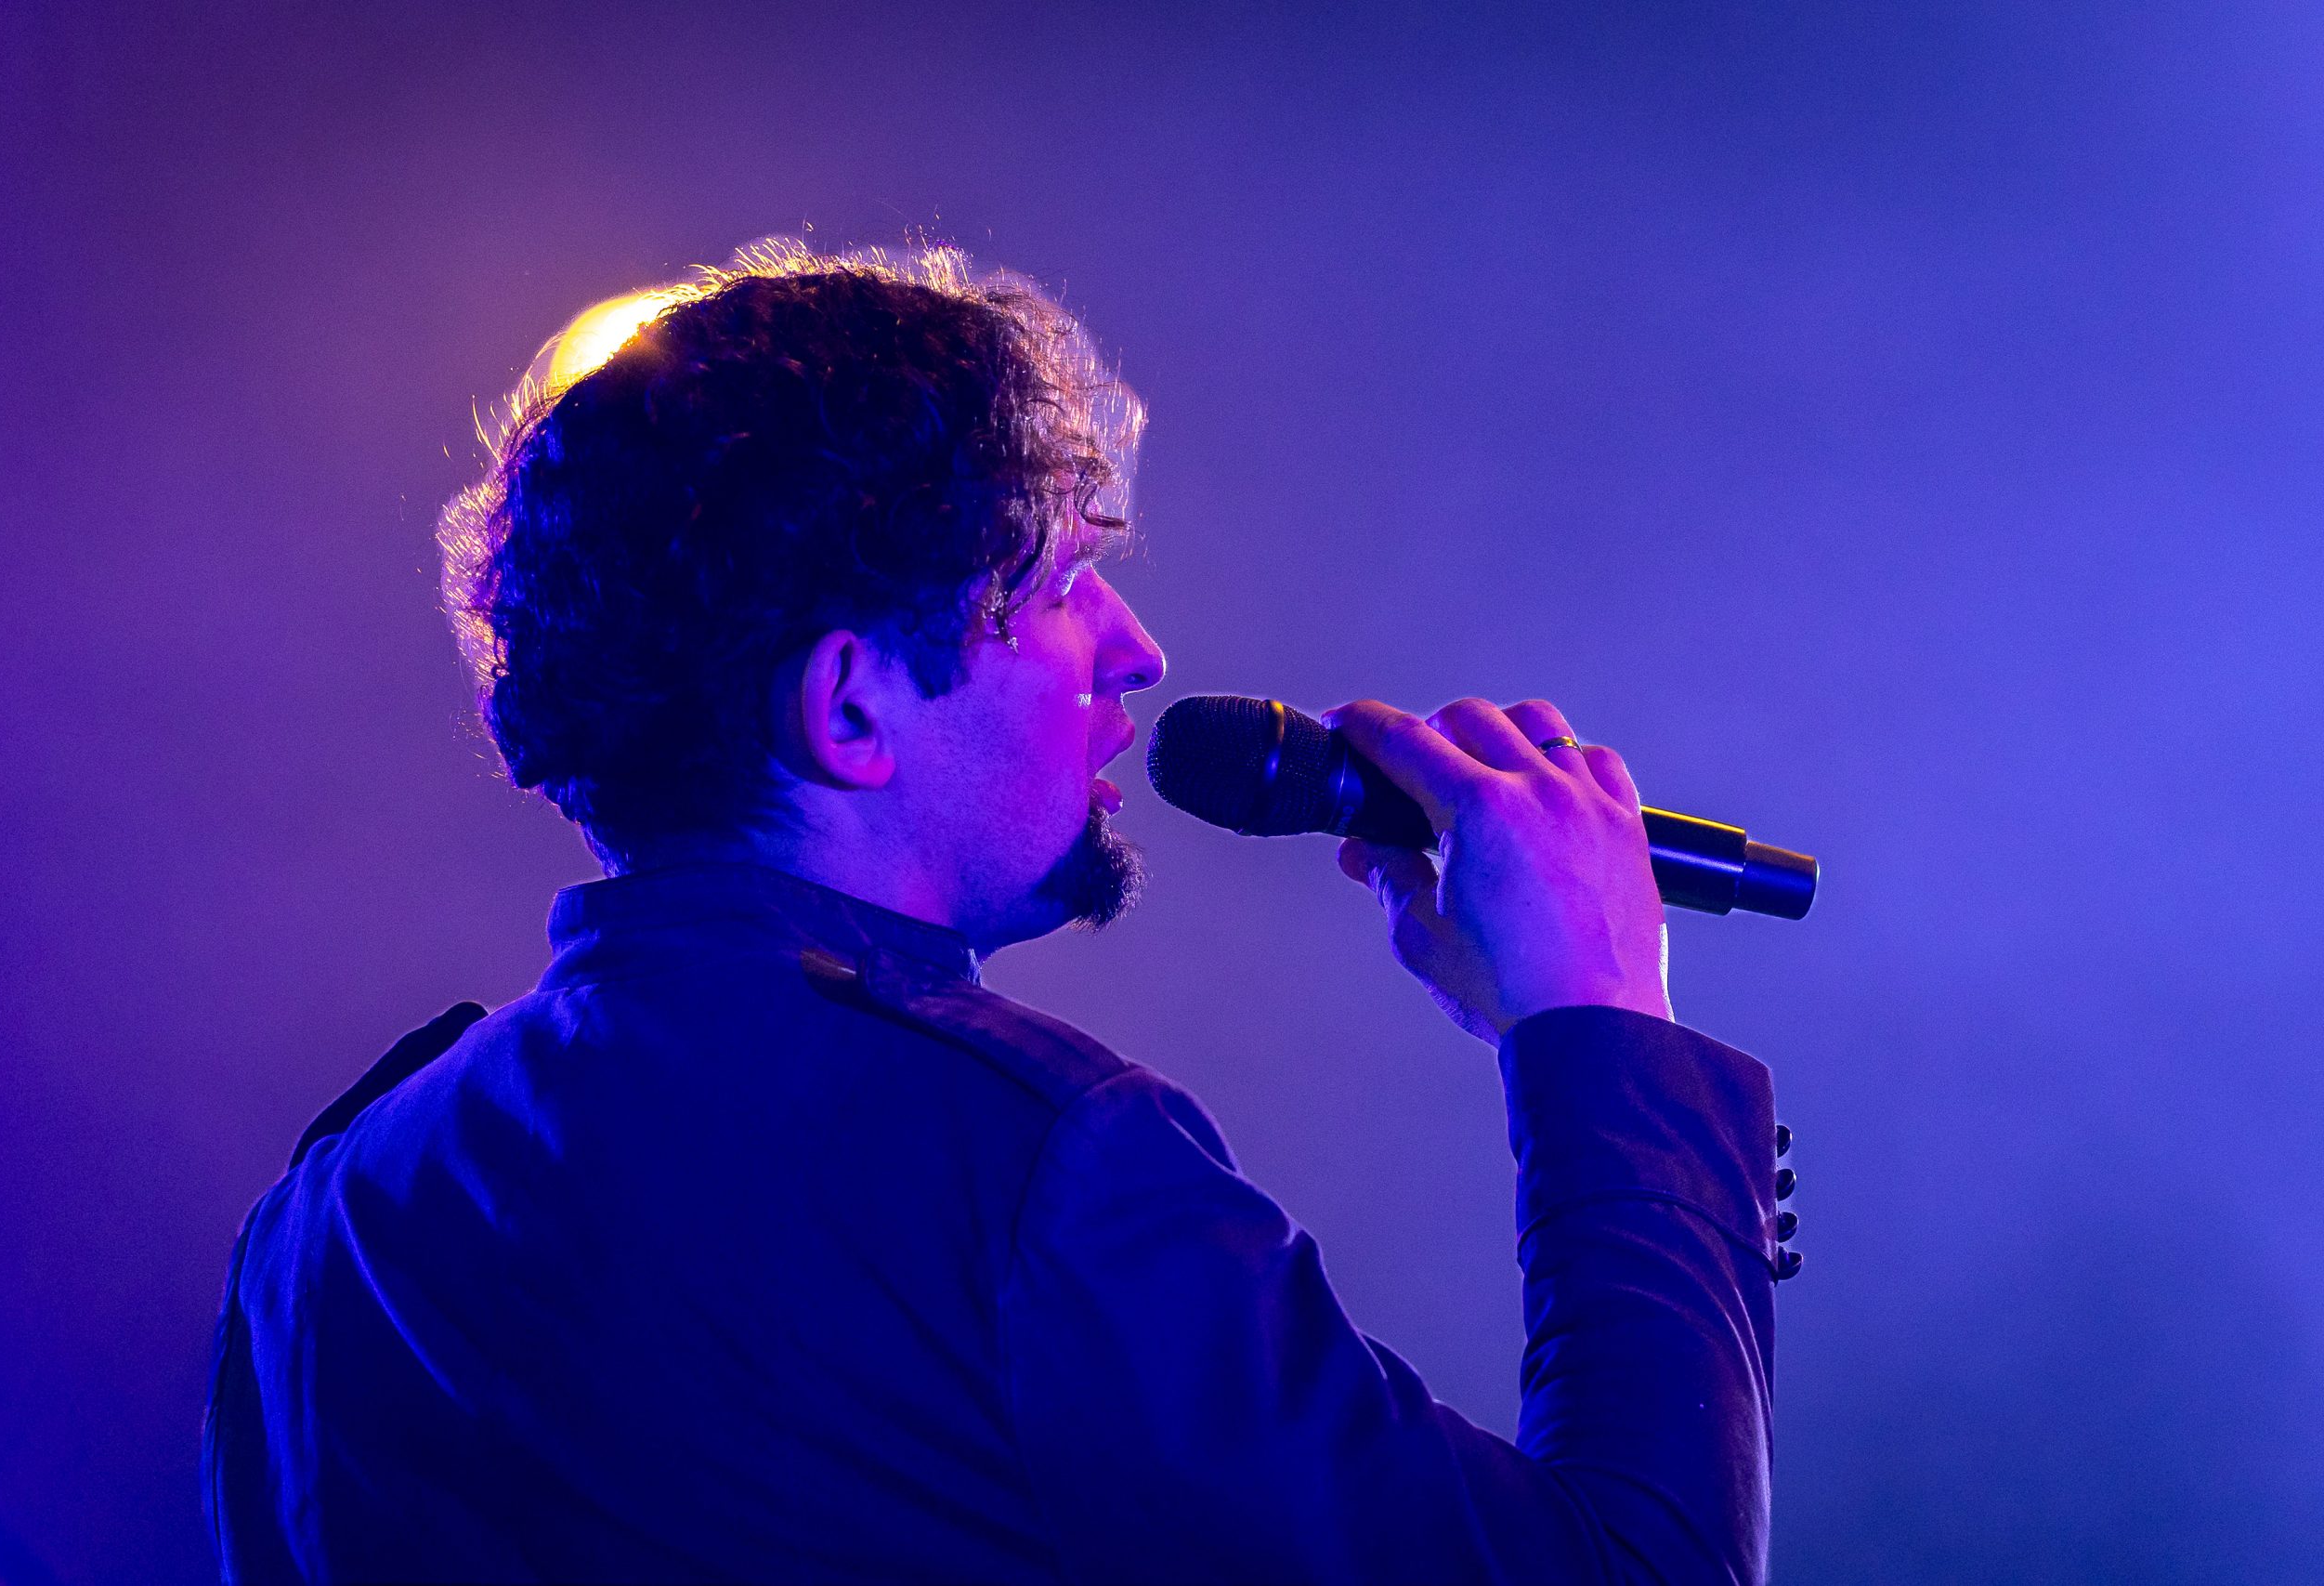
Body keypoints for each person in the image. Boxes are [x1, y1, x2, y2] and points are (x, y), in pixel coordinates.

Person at [202, 240, 1796, 1584]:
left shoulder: (325, 1221)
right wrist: (1597, 1024)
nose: (1136, 651)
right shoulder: (1033, 1160)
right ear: (850, 707)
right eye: (1055, 587)